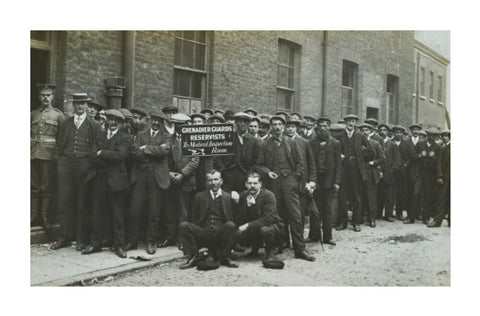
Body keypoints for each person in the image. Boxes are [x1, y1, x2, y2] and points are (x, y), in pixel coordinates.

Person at [256, 115, 315, 261]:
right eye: (274, 124)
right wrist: (267, 172)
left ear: (283, 127)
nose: (277, 127)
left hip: (289, 181)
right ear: (271, 127)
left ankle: (299, 249)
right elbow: (258, 165)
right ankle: (279, 244)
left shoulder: (291, 142)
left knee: (295, 216)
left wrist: (295, 179)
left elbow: (300, 163)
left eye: (279, 124)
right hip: (273, 183)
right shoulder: (264, 144)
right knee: (278, 216)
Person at [50, 93, 98, 251]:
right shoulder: (66, 122)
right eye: (77, 103)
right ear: (73, 104)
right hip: (66, 165)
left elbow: (95, 148)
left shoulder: (93, 124)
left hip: (84, 166)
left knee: (82, 203)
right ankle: (63, 237)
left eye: (82, 103)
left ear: (86, 104)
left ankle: (81, 240)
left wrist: (89, 164)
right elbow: (58, 144)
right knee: (64, 202)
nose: (79, 106)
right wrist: (59, 162)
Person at [82, 109, 129, 258]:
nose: (112, 123)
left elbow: (119, 156)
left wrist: (102, 153)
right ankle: (95, 244)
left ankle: (119, 246)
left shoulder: (125, 138)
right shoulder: (100, 135)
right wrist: (104, 154)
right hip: (100, 180)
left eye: (116, 121)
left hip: (116, 181)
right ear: (107, 121)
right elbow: (92, 156)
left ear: (121, 123)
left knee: (117, 215)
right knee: (97, 213)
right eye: (110, 119)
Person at [127, 110, 171, 254]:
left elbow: (164, 151)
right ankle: (132, 241)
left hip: (156, 177)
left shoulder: (166, 136)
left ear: (162, 122)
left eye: (159, 120)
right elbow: (134, 153)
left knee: (154, 211)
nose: (156, 122)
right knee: (135, 209)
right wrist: (154, 152)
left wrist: (145, 149)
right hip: (140, 176)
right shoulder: (141, 135)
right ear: (150, 120)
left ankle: (151, 242)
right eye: (154, 120)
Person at [178, 169, 238, 269]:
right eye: (210, 180)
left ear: (221, 181)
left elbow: (234, 218)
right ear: (207, 182)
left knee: (231, 225)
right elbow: (194, 218)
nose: (213, 183)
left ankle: (225, 257)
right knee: (184, 226)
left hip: (220, 235)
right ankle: (193, 256)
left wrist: (236, 199)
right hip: (203, 234)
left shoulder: (228, 197)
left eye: (216, 179)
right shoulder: (199, 196)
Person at [162, 113, 199, 248]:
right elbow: (163, 158)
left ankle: (183, 238)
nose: (179, 127)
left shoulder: (193, 140)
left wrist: (182, 175)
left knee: (183, 212)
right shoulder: (168, 139)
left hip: (186, 181)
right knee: (170, 210)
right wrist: (170, 173)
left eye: (182, 125)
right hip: (170, 180)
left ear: (187, 125)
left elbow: (195, 161)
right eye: (176, 125)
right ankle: (170, 236)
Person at [31, 84, 65, 228]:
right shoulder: (32, 114)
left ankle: (44, 217)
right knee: (33, 186)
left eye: (48, 95)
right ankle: (33, 216)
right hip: (32, 154)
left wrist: (57, 156)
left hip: (49, 156)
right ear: (39, 96)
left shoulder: (58, 115)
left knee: (46, 186)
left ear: (52, 97)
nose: (45, 97)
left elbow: (62, 137)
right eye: (43, 95)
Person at [336, 114, 375, 232]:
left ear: (355, 123)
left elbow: (371, 153)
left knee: (357, 197)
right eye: (348, 121)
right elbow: (334, 152)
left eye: (353, 121)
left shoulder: (360, 136)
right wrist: (339, 155)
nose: (351, 123)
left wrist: (359, 154)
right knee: (342, 197)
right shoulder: (339, 136)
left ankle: (356, 222)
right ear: (345, 123)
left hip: (356, 171)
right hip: (343, 171)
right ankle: (342, 222)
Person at [235, 172, 285, 261]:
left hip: (273, 226)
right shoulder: (243, 196)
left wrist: (247, 225)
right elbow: (240, 217)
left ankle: (271, 252)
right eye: (250, 183)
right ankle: (254, 249)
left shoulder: (268, 195)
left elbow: (268, 219)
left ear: (260, 184)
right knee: (240, 232)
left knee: (265, 230)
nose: (252, 186)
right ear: (246, 184)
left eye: (255, 183)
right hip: (255, 226)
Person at [307, 117, 342, 245]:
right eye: (320, 126)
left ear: (329, 127)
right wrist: (311, 180)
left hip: (329, 180)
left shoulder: (335, 143)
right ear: (317, 128)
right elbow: (309, 163)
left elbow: (338, 164)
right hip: (316, 180)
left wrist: (337, 182)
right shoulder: (311, 142)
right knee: (314, 209)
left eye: (325, 126)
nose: (323, 128)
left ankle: (328, 236)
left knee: (327, 208)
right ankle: (314, 235)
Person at [358, 123, 385, 227]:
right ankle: (359, 217)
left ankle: (372, 218)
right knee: (359, 195)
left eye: (366, 130)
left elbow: (382, 158)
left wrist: (373, 163)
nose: (364, 132)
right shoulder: (357, 142)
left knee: (371, 196)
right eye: (362, 130)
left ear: (370, 131)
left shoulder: (375, 143)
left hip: (370, 172)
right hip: (359, 172)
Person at [419, 128, 443, 225]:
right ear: (427, 135)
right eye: (430, 135)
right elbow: (414, 156)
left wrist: (439, 176)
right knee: (422, 195)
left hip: (432, 175)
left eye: (434, 135)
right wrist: (421, 155)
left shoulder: (438, 147)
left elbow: (439, 163)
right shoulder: (420, 144)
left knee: (430, 196)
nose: (432, 137)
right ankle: (421, 216)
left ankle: (428, 216)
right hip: (421, 173)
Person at [428, 129, 450, 227]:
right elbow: (439, 164)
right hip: (444, 177)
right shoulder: (442, 148)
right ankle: (437, 221)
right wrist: (439, 176)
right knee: (441, 199)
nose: (444, 138)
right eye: (442, 136)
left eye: (446, 136)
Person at [404, 123, 424, 224]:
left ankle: (416, 214)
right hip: (408, 171)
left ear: (419, 131)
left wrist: (417, 156)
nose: (415, 131)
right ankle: (409, 215)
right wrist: (418, 156)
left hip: (420, 172)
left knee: (417, 193)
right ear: (411, 131)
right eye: (414, 130)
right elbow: (405, 156)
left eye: (417, 130)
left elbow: (424, 157)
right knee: (409, 193)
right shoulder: (406, 142)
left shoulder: (422, 142)